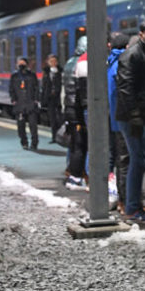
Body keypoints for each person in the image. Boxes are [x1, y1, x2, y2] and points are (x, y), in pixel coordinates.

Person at [116, 19, 145, 224]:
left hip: (139, 115)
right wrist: (134, 115)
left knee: (139, 159)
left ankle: (133, 205)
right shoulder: (132, 55)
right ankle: (133, 208)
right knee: (137, 160)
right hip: (132, 118)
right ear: (141, 33)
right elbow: (126, 87)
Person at [106, 33, 131, 213]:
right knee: (124, 162)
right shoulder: (120, 65)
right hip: (121, 120)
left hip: (113, 119)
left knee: (118, 160)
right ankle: (125, 202)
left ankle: (119, 198)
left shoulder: (110, 63)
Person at [63, 36, 89, 190]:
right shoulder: (81, 63)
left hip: (69, 107)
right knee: (80, 145)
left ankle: (72, 173)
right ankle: (77, 177)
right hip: (77, 109)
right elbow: (81, 90)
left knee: (74, 145)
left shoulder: (69, 62)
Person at [9, 56, 40, 150]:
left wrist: (36, 99)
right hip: (19, 105)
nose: (21, 65)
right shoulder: (14, 76)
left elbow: (36, 88)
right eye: (20, 63)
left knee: (33, 126)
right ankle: (24, 142)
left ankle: (34, 143)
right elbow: (11, 89)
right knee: (20, 127)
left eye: (23, 63)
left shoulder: (32, 75)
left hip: (30, 104)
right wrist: (13, 99)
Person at [40, 54, 63, 142]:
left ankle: (61, 137)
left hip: (58, 98)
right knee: (52, 119)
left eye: (54, 61)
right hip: (50, 99)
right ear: (48, 62)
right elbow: (43, 86)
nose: (53, 63)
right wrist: (42, 100)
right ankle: (54, 137)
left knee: (60, 118)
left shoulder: (60, 72)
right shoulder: (46, 73)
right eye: (51, 61)